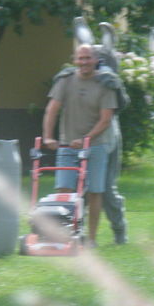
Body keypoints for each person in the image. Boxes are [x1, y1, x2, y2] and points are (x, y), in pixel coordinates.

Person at [42, 44, 118, 247]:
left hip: (96, 144)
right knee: (64, 189)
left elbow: (105, 120)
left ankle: (91, 239)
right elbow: (52, 109)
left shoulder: (105, 84)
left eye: (88, 58)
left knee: (95, 191)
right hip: (68, 144)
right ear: (75, 60)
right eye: (80, 58)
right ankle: (65, 235)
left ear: (95, 61)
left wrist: (86, 139)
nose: (84, 62)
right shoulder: (65, 81)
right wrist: (48, 137)